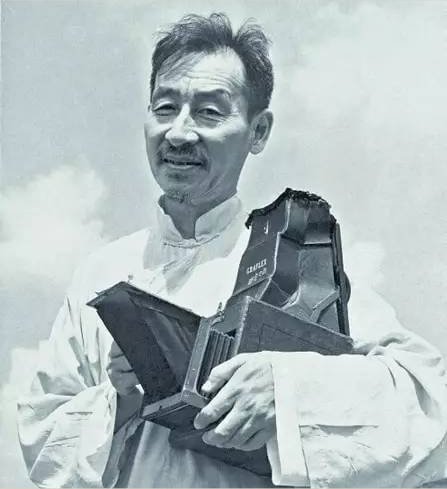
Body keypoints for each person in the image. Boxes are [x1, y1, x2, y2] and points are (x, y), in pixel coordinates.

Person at [17, 12, 447, 488]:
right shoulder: (100, 273)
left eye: (209, 112)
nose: (179, 133)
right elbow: (41, 433)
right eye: (165, 107)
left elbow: (429, 403)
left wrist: (284, 390)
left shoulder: (293, 261)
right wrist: (121, 400)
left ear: (258, 131)